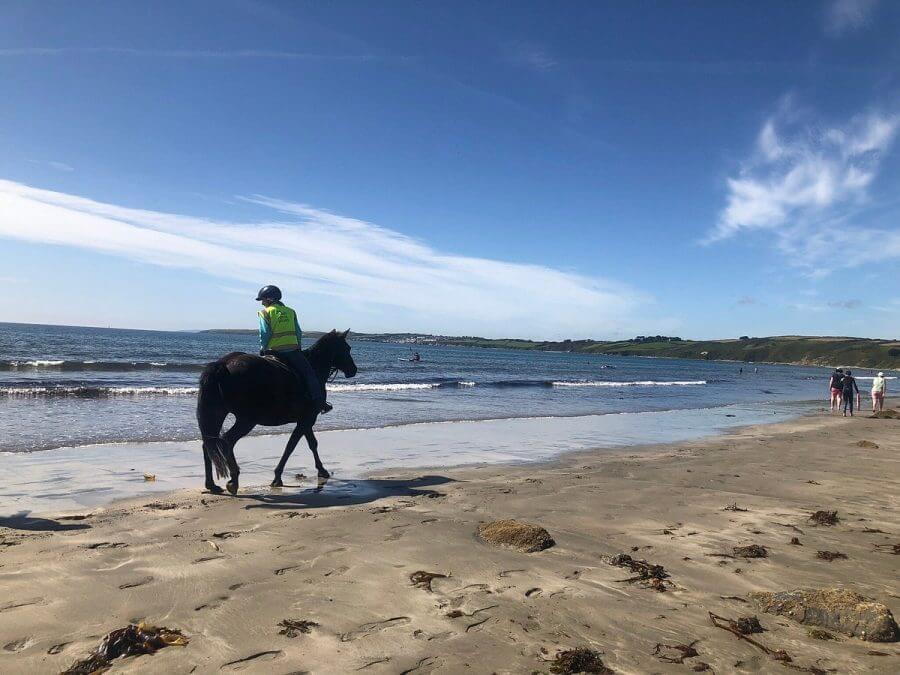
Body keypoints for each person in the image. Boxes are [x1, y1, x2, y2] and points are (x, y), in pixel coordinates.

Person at [256, 285, 331, 413]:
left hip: (272, 351)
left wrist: (263, 348)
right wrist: (298, 347)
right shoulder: (291, 312)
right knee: (309, 374)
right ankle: (319, 402)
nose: (262, 303)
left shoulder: (264, 313)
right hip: (292, 352)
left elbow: (264, 333)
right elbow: (298, 332)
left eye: (263, 300)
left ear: (269, 299)